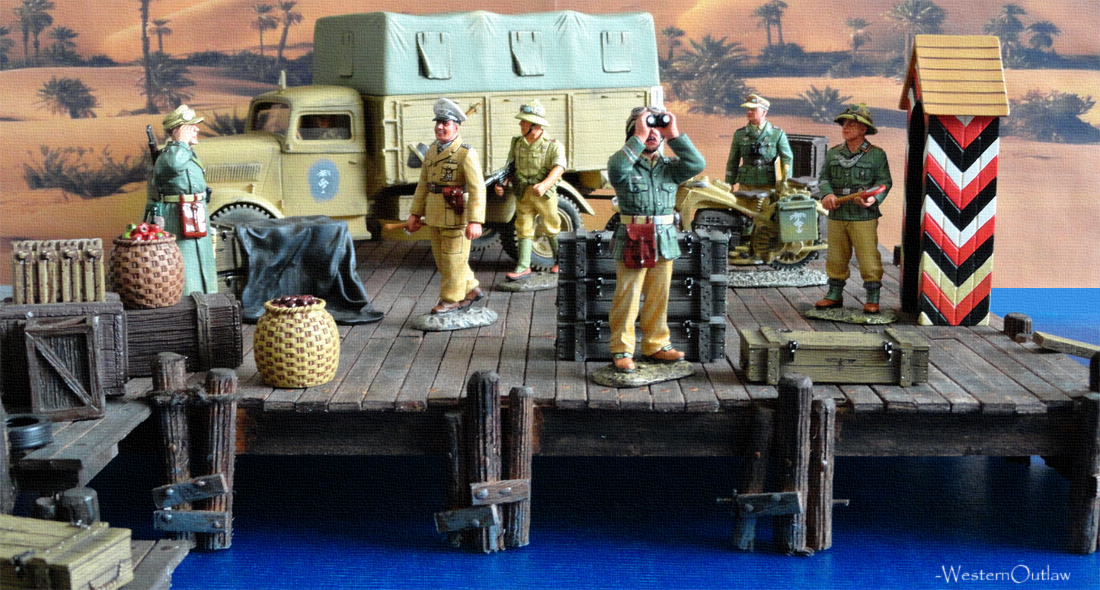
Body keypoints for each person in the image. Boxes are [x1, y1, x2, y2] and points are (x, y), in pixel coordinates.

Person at [606, 106, 705, 373]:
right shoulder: (624, 164)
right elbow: (615, 169)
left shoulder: (670, 168)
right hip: (634, 238)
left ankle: (656, 344)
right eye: (646, 130)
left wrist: (673, 134)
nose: (652, 135)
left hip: (664, 239)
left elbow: (697, 164)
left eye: (656, 131)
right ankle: (622, 349)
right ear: (633, 133)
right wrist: (638, 137)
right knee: (628, 296)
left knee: (659, 296)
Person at [405, 98, 486, 315]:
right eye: (438, 123)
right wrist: (415, 213)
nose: (440, 127)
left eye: (446, 123)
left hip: (455, 215)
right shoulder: (432, 150)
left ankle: (451, 299)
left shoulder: (465, 153)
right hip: (434, 215)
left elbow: (477, 188)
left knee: (453, 260)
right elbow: (424, 184)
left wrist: (475, 220)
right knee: (443, 260)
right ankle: (471, 289)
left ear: (456, 127)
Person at [814, 103, 892, 313]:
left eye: (851, 124)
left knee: (868, 257)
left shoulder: (876, 155)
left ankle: (873, 297)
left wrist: (872, 199)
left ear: (863, 128)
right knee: (836, 257)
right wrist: (827, 194)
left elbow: (884, 182)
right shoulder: (833, 154)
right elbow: (823, 179)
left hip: (863, 216)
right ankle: (834, 294)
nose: (845, 128)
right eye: (844, 124)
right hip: (838, 213)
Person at [149, 104, 217, 294]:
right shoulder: (170, 156)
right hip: (178, 218)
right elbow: (173, 165)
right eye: (190, 127)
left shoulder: (185, 153)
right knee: (186, 264)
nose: (196, 129)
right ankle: (190, 300)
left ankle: (208, 297)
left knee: (203, 262)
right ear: (178, 130)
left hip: (196, 216)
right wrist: (180, 142)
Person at [495, 100, 567, 280]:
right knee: (523, 228)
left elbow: (559, 167)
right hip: (523, 192)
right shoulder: (517, 143)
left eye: (524, 121)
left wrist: (545, 185)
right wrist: (502, 182)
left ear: (534, 125)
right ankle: (523, 266)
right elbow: (511, 167)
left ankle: (560, 261)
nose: (520, 124)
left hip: (544, 195)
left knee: (551, 226)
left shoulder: (552, 145)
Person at [725, 94, 793, 192]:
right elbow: (733, 160)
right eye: (748, 109)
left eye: (753, 109)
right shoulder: (740, 134)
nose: (749, 112)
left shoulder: (777, 134)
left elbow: (787, 159)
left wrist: (786, 181)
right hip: (746, 184)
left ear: (764, 112)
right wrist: (729, 182)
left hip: (769, 184)